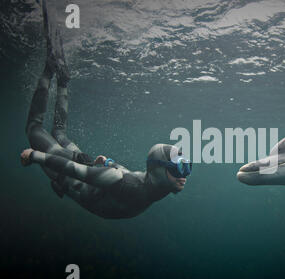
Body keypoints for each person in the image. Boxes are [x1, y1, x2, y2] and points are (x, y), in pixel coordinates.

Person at [20, 0, 191, 219]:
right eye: (178, 169)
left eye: (186, 168)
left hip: (92, 171)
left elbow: (130, 177)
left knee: (59, 134)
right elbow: (74, 170)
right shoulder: (122, 181)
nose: (184, 175)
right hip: (68, 176)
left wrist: (110, 163)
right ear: (158, 169)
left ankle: (62, 81)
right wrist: (35, 156)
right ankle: (49, 70)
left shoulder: (146, 185)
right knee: (33, 128)